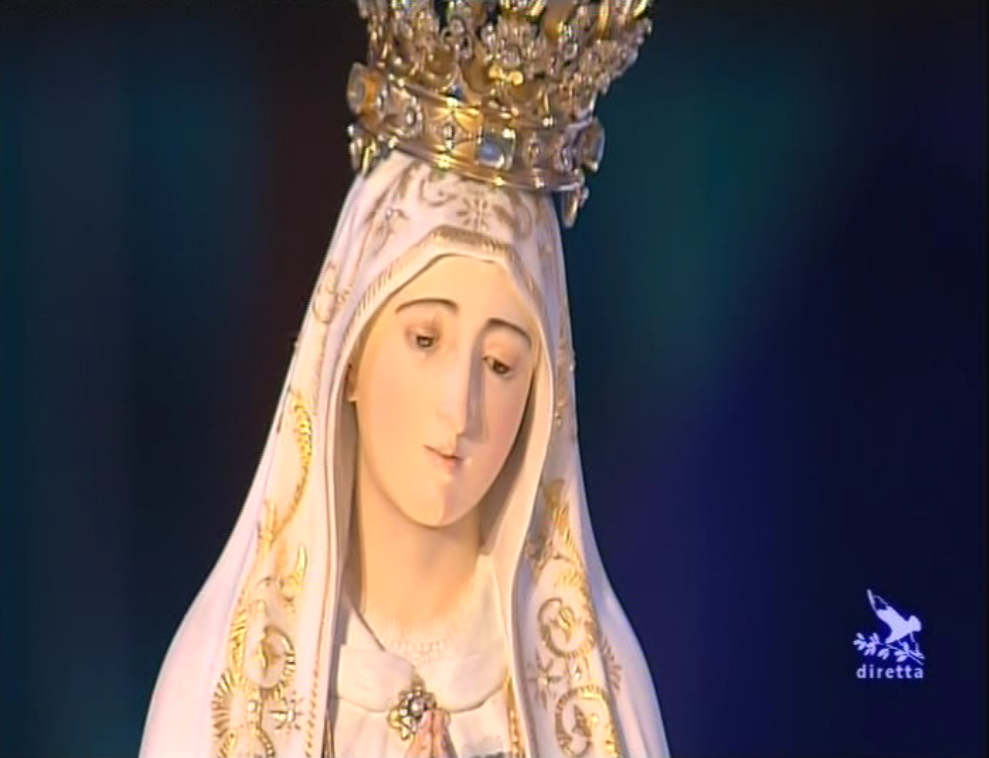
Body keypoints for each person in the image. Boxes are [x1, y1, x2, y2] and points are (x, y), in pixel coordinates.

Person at [141, 3, 670, 757]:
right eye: (425, 339)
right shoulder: (225, 675)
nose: (460, 409)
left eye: (501, 364)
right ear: (349, 351)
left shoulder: (593, 691)